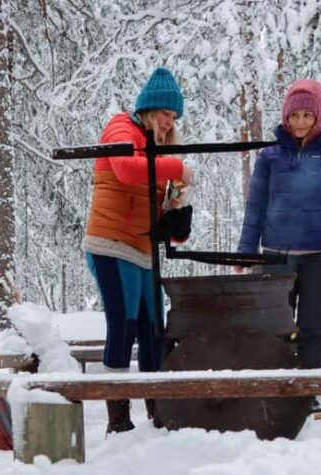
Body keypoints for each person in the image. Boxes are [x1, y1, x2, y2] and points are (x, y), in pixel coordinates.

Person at [83, 67, 194, 433]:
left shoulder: (159, 151)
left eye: (174, 118)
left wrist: (176, 209)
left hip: (143, 248)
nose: (168, 123)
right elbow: (127, 171)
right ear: (149, 110)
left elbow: (163, 217)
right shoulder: (121, 127)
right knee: (124, 324)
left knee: (152, 329)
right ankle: (119, 419)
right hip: (111, 245)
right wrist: (177, 164)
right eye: (165, 115)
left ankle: (156, 413)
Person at [235, 78, 321, 374]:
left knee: (312, 327)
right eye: (294, 115)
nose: (300, 122)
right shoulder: (270, 157)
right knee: (274, 326)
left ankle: (307, 390)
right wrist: (245, 251)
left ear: (318, 117)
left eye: (306, 115)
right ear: (285, 117)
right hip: (276, 255)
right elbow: (255, 207)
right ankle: (276, 391)